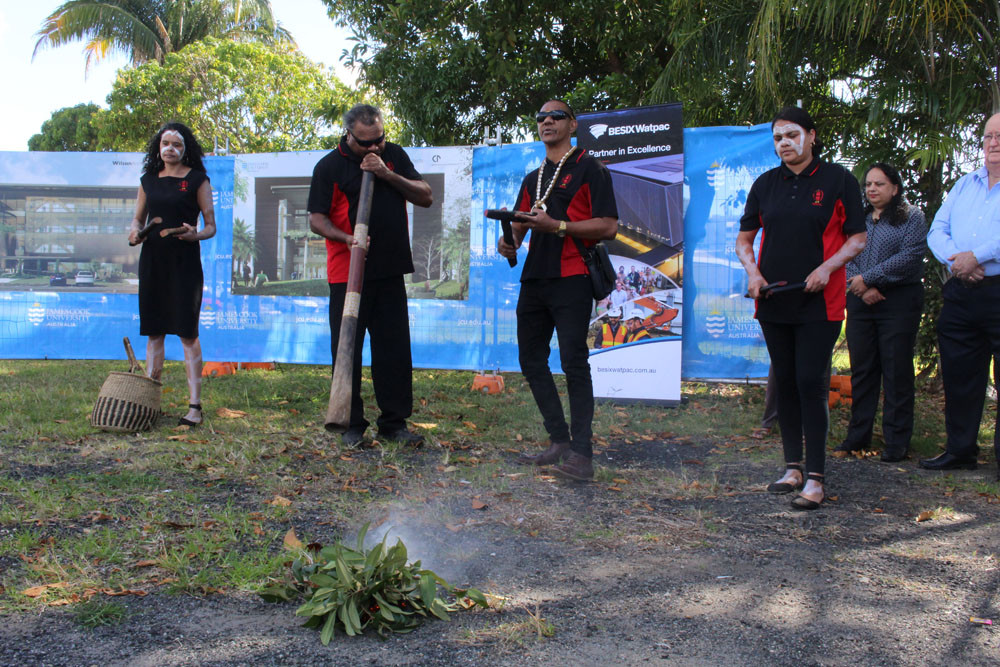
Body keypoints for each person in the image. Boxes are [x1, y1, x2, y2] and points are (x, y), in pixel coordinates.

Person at [735, 106, 866, 510]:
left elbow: (858, 238)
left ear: (811, 135)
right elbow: (744, 240)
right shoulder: (765, 184)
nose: (784, 143)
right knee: (786, 383)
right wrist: (753, 274)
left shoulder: (838, 180)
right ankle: (791, 468)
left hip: (819, 302)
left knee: (810, 383)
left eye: (791, 135)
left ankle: (816, 479)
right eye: (777, 138)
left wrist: (827, 268)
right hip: (774, 299)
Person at [498, 99, 618, 481]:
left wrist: (560, 227)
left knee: (573, 362)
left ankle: (582, 454)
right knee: (531, 360)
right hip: (535, 278)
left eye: (556, 116)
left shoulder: (590, 168)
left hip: (573, 277)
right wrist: (510, 241)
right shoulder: (533, 177)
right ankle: (559, 440)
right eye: (541, 117)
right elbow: (521, 224)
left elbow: (609, 226)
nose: (547, 121)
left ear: (573, 124)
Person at [307, 103, 433, 447]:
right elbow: (316, 218)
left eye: (379, 139)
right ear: (349, 135)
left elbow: (425, 196)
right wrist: (346, 238)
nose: (374, 147)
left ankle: (394, 425)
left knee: (393, 350)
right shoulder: (329, 166)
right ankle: (350, 423)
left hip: (390, 270)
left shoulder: (393, 155)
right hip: (348, 274)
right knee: (347, 348)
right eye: (365, 143)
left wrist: (386, 173)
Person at [921, 113, 1000, 476]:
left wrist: (977, 256)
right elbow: (938, 229)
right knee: (960, 374)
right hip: (962, 291)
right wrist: (958, 260)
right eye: (987, 136)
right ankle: (960, 450)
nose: (993, 143)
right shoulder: (965, 184)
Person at [833, 163, 926, 462]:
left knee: (897, 370)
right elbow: (843, 251)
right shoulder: (856, 217)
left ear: (895, 188)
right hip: (860, 300)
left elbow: (910, 257)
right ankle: (857, 436)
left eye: (880, 184)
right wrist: (860, 284)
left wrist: (869, 279)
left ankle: (897, 442)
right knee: (863, 371)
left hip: (898, 300)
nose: (872, 189)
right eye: (869, 185)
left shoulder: (912, 216)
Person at [127, 122, 216, 427]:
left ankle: (195, 407)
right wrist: (135, 234)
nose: (170, 149)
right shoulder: (148, 181)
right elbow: (137, 220)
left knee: (188, 334)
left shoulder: (197, 180)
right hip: (153, 262)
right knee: (154, 332)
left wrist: (196, 234)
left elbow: (210, 226)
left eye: (177, 145)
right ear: (158, 147)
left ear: (185, 148)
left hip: (184, 264)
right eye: (165, 144)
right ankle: (150, 404)